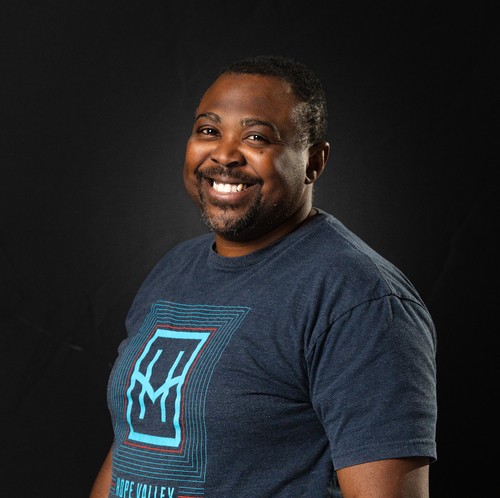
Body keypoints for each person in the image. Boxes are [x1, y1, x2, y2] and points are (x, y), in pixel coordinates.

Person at [90, 55, 437, 498]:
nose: (224, 154)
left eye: (256, 137)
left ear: (313, 162)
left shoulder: (360, 300)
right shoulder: (174, 270)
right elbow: (133, 445)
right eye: (208, 130)